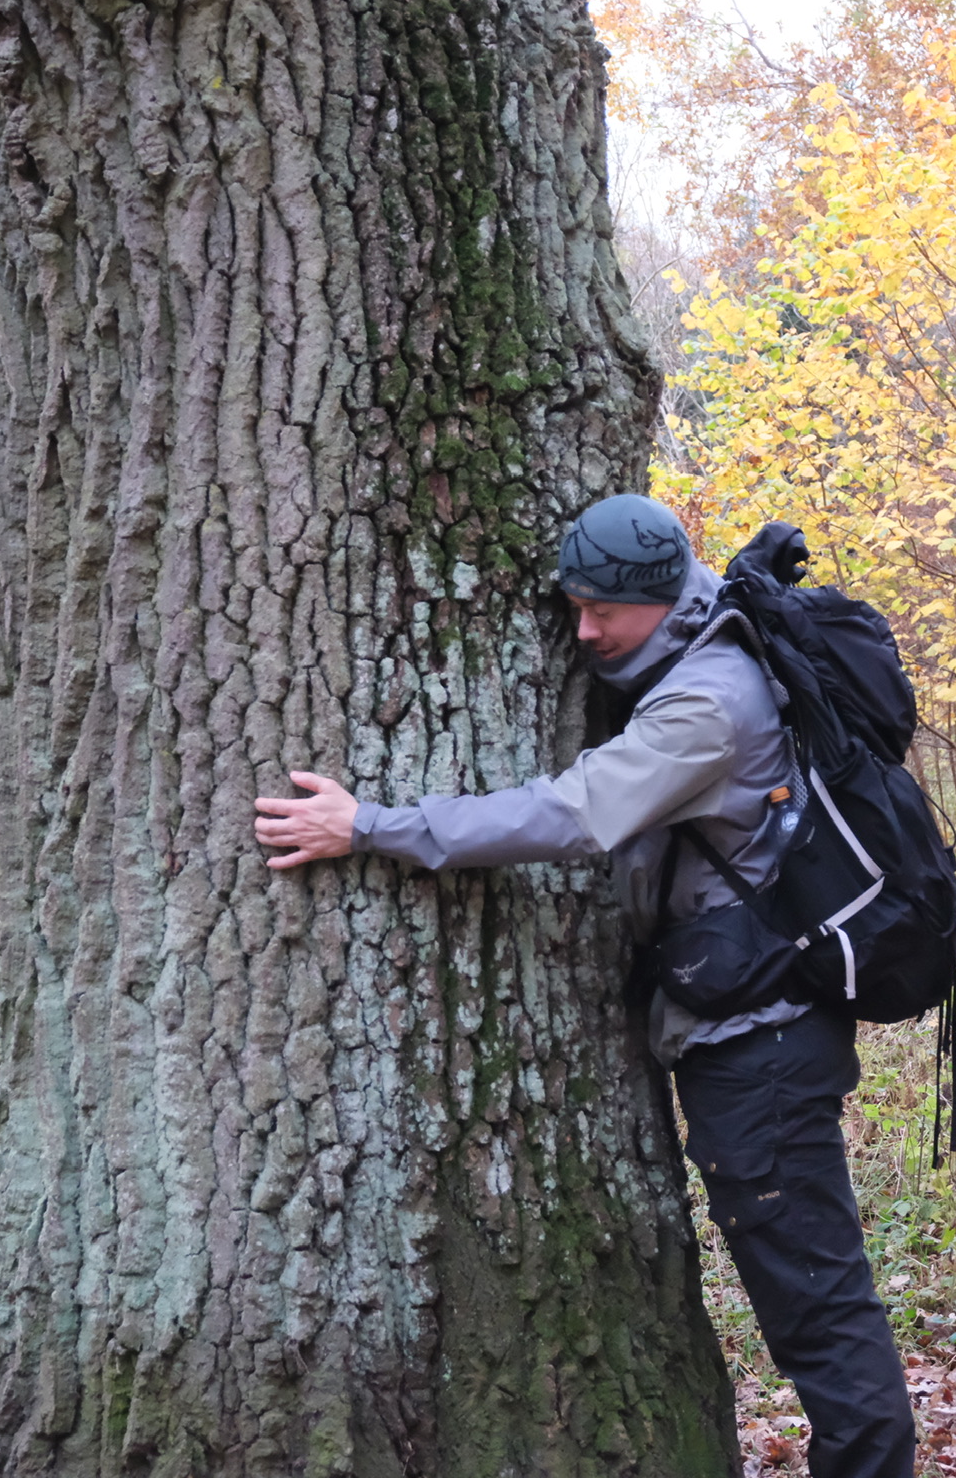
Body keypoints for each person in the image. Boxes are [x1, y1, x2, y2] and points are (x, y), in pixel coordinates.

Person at [253, 493, 917, 1478]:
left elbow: (574, 814)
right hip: (753, 1034)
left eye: (603, 610)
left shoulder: (710, 702)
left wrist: (375, 826)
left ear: (661, 596)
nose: (584, 630)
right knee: (814, 1299)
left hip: (762, 1055)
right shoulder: (697, 649)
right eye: (575, 606)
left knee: (819, 1312)